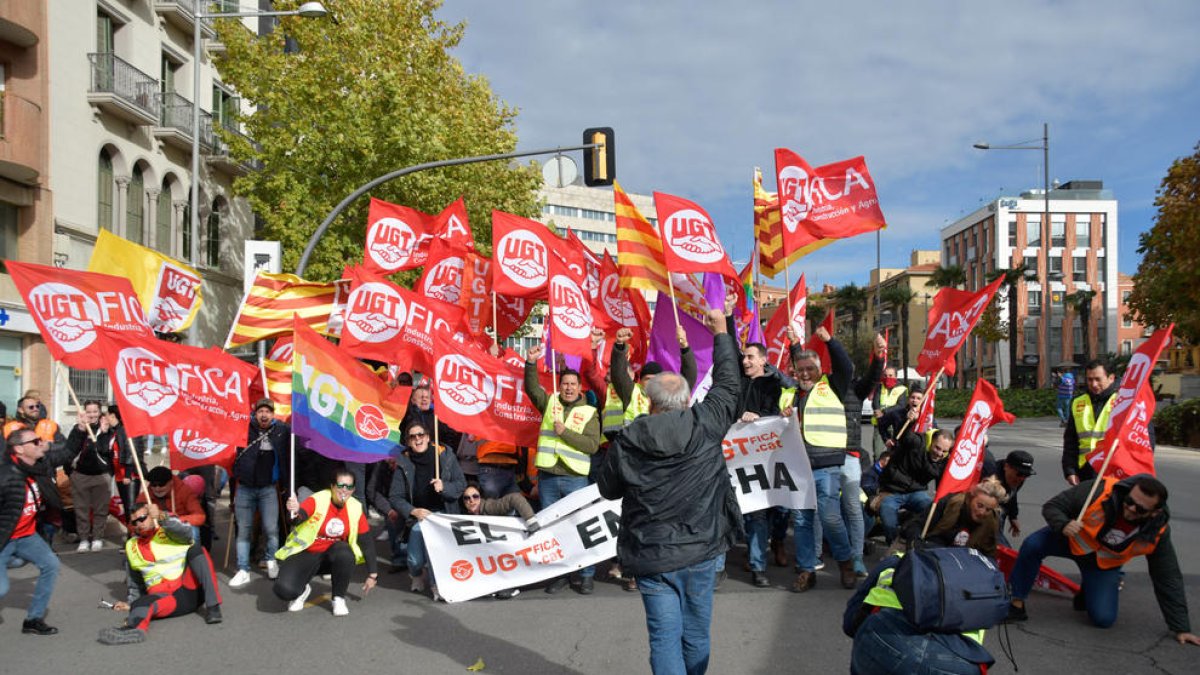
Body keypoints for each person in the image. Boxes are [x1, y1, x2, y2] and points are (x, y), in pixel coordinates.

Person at [598, 308, 742, 675]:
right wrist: (722, 333)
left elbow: (607, 489)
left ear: (650, 402)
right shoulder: (705, 423)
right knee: (695, 635)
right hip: (701, 550)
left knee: (664, 638)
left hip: (653, 553)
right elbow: (728, 385)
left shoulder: (628, 439)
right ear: (687, 399)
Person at [1007, 474, 1200, 645]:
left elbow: (1167, 576)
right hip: (1071, 539)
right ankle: (1017, 602)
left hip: (1102, 564)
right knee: (1033, 545)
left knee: (1103, 619)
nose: (1131, 508)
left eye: (1140, 509)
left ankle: (1088, 590)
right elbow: (1053, 506)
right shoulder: (1101, 489)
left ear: (1154, 513)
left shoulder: (1158, 531)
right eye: (1129, 501)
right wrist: (1063, 523)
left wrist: (1181, 627)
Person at [779, 324, 857, 592]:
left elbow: (846, 367)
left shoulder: (832, 384)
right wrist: (794, 345)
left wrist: (830, 341)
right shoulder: (791, 394)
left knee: (830, 517)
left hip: (827, 465)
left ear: (820, 369)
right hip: (799, 467)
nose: (804, 373)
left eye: (810, 369)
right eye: (800, 370)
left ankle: (846, 563)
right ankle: (806, 569)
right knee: (801, 521)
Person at [524, 345, 602, 595]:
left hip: (575, 479)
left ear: (580, 388)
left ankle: (586, 574)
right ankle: (560, 574)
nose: (568, 388)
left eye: (572, 384)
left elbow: (591, 446)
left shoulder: (589, 412)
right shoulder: (550, 403)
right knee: (553, 530)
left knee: (580, 526)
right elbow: (532, 389)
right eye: (565, 383)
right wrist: (531, 363)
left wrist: (564, 433)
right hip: (548, 478)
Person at [843, 553, 996, 674]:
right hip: (958, 662)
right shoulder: (983, 576)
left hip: (884, 636)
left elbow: (850, 624)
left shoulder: (897, 560)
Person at [97, 503, 223, 645]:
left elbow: (188, 533)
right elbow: (135, 582)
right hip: (167, 598)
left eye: (143, 518)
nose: (139, 524)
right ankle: (134, 629)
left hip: (188, 588)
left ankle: (214, 607)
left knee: (197, 550)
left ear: (152, 516)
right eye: (134, 522)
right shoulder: (131, 545)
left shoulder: (168, 528)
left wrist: (162, 517)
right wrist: (132, 604)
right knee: (142, 602)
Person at [274, 468, 379, 617]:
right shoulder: (318, 499)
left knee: (344, 551)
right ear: (332, 486)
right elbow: (298, 518)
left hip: (331, 556)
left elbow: (366, 542)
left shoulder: (355, 507)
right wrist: (295, 510)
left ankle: (338, 597)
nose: (344, 490)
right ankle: (302, 589)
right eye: (340, 485)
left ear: (353, 489)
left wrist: (372, 574)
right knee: (283, 591)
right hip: (306, 553)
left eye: (349, 487)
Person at [0, 429, 75, 635]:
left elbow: (67, 453)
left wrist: (79, 428)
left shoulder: (39, 466)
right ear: (19, 449)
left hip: (27, 536)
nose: (40, 443)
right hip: (4, 540)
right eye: (35, 441)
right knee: (2, 589)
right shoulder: (5, 475)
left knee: (50, 565)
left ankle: (33, 620)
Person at [388, 420, 466, 602]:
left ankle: (436, 584)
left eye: (421, 435)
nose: (417, 439)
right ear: (408, 441)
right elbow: (395, 497)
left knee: (434, 554)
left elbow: (460, 484)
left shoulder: (445, 456)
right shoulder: (403, 462)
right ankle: (416, 574)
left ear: (429, 437)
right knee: (415, 561)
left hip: (442, 514)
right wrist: (413, 511)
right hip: (418, 517)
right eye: (413, 437)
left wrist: (444, 487)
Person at [229, 399, 289, 588]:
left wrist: (287, 484)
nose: (264, 414)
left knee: (271, 529)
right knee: (244, 531)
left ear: (273, 414)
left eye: (268, 411)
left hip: (268, 489)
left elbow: (292, 448)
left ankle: (271, 560)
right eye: (260, 411)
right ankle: (243, 569)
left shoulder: (281, 431)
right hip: (245, 488)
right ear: (254, 413)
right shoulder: (242, 428)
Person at [877, 426, 951, 545]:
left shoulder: (945, 459)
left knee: (931, 512)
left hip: (916, 493)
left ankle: (918, 540)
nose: (939, 453)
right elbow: (903, 435)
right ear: (931, 441)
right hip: (892, 491)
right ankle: (894, 545)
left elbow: (941, 483)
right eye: (937, 448)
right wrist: (910, 418)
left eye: (944, 451)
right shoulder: (917, 441)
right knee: (888, 518)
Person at [905, 477, 1008, 558]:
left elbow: (989, 552)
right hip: (932, 552)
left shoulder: (992, 522)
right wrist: (915, 544)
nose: (982, 512)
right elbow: (917, 524)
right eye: (979, 505)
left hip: (963, 563)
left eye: (988, 509)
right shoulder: (950, 503)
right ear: (971, 498)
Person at [65, 400, 114, 552]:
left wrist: (104, 434)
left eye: (95, 411)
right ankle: (84, 539)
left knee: (101, 509)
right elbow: (70, 449)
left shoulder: (107, 429)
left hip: (101, 475)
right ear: (83, 413)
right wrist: (80, 429)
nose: (92, 415)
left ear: (100, 412)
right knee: (81, 510)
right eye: (89, 412)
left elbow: (106, 451)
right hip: (80, 475)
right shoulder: (78, 428)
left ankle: (98, 537)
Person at [1063, 360, 1122, 485]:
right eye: (1089, 379)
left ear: (1111, 378)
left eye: (1098, 379)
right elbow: (1070, 440)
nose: (1094, 384)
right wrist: (1070, 470)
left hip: (1114, 471)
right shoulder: (1078, 402)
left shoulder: (1123, 401)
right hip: (1085, 471)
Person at [981, 450, 1035, 546]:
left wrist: (1013, 516)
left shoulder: (1017, 479)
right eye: (1019, 474)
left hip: (1000, 510)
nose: (1021, 478)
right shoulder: (991, 477)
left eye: (1026, 475)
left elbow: (1012, 494)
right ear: (1006, 466)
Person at [137, 467, 206, 537]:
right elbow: (132, 522)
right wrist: (140, 527)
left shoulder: (184, 491)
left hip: (179, 528)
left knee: (193, 531)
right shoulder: (145, 496)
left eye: (161, 484)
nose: (157, 488)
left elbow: (200, 517)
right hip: (155, 531)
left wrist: (167, 517)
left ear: (171, 482)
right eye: (153, 485)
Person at [871, 366, 909, 459]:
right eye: (885, 375)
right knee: (878, 453)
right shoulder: (879, 386)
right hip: (879, 423)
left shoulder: (902, 389)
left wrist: (884, 412)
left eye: (890, 375)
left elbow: (901, 406)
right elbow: (875, 402)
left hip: (895, 425)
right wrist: (877, 410)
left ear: (896, 376)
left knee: (894, 453)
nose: (887, 377)